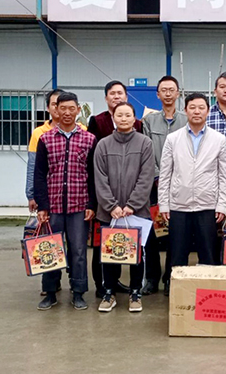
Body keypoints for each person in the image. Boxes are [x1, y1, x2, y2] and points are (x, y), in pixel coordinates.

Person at [33, 92, 97, 311]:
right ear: (55, 110)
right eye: (63, 108)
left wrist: (91, 204)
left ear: (78, 110)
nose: (67, 113)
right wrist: (42, 205)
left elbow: (93, 175)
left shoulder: (89, 139)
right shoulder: (46, 139)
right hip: (53, 207)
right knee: (51, 249)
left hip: (79, 206)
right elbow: (39, 174)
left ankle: (78, 292)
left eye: (72, 108)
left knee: (78, 251)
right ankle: (50, 292)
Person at [158, 93, 226, 277]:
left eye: (201, 108)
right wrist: (164, 204)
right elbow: (165, 174)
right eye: (192, 107)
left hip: (207, 205)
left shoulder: (219, 139)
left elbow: (225, 176)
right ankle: (173, 285)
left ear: (208, 111)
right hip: (179, 205)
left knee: (208, 253)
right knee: (177, 253)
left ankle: (208, 285)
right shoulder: (173, 139)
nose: (196, 111)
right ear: (185, 110)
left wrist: (222, 205)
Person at [94, 102, 155, 313]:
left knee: (136, 253)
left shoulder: (145, 143)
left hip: (136, 212)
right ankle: (109, 292)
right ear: (113, 118)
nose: (123, 118)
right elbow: (99, 178)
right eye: (119, 115)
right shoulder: (103, 145)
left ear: (134, 118)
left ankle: (135, 292)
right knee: (110, 253)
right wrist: (110, 205)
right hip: (109, 213)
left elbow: (146, 177)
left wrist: (132, 205)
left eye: (128, 115)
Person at [88, 80, 138, 298]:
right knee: (103, 244)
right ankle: (102, 285)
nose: (116, 96)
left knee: (127, 243)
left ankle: (119, 283)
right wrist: (105, 201)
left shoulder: (137, 126)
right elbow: (94, 163)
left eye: (120, 93)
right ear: (106, 98)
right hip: (105, 194)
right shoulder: (97, 121)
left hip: (129, 196)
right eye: (112, 93)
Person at [141, 76, 188, 297]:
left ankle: (171, 277)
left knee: (175, 234)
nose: (168, 94)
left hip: (180, 185)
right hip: (154, 184)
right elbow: (146, 151)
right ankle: (151, 278)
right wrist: (159, 176)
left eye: (172, 90)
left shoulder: (187, 120)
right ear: (158, 94)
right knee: (152, 233)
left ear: (178, 93)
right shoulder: (149, 121)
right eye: (164, 90)